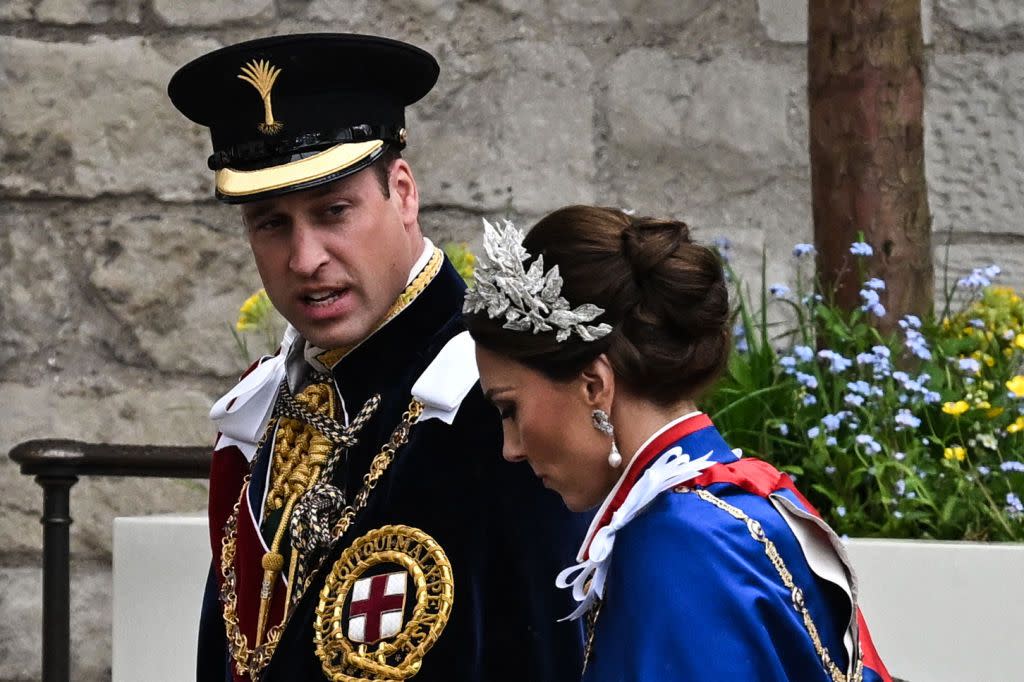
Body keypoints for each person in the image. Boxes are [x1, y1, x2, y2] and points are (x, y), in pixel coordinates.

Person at [167, 34, 588, 682]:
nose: (305, 259)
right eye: (271, 223)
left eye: (334, 212)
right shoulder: (275, 398)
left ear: (403, 191)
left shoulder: (500, 396)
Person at [463, 206, 892, 682]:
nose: (511, 448)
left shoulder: (675, 547)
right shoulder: (736, 500)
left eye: (509, 409)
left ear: (593, 386)